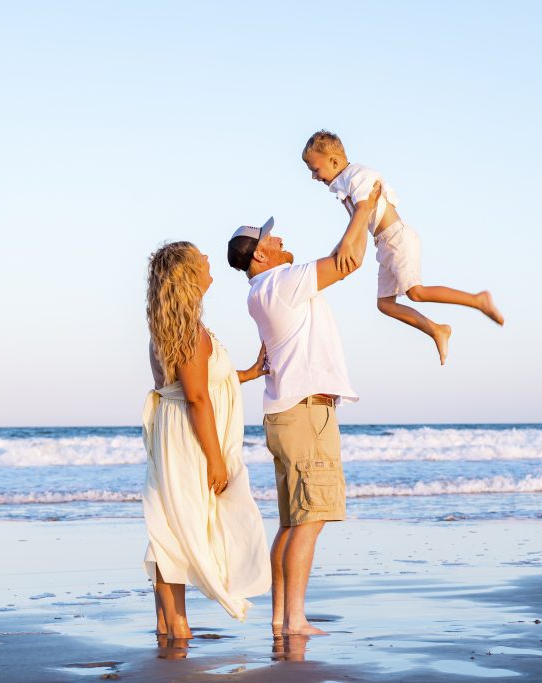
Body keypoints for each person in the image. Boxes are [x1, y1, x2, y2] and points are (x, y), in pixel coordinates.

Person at [226, 208, 369, 636]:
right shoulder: (281, 282)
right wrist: (362, 208)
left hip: (283, 414)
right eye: (270, 239)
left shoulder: (260, 291)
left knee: (292, 523)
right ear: (260, 257)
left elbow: (337, 259)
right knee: (310, 520)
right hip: (307, 413)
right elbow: (349, 261)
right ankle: (294, 619)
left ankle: (280, 617)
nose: (279, 238)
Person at [142, 241, 271, 641]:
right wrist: (216, 460)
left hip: (171, 433)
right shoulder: (189, 332)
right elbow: (197, 398)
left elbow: (199, 384)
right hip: (189, 439)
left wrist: (248, 373)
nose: (209, 261)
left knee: (170, 524)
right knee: (184, 524)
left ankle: (168, 622)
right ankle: (176, 623)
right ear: (188, 274)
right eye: (201, 258)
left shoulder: (171, 327)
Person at [302, 129, 505, 365]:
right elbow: (357, 220)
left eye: (315, 170)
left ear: (334, 161)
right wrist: (340, 246)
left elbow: (363, 210)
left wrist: (347, 243)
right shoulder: (345, 183)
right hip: (384, 244)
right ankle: (437, 330)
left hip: (397, 239)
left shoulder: (358, 175)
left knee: (416, 292)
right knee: (385, 305)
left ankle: (477, 300)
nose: (314, 177)